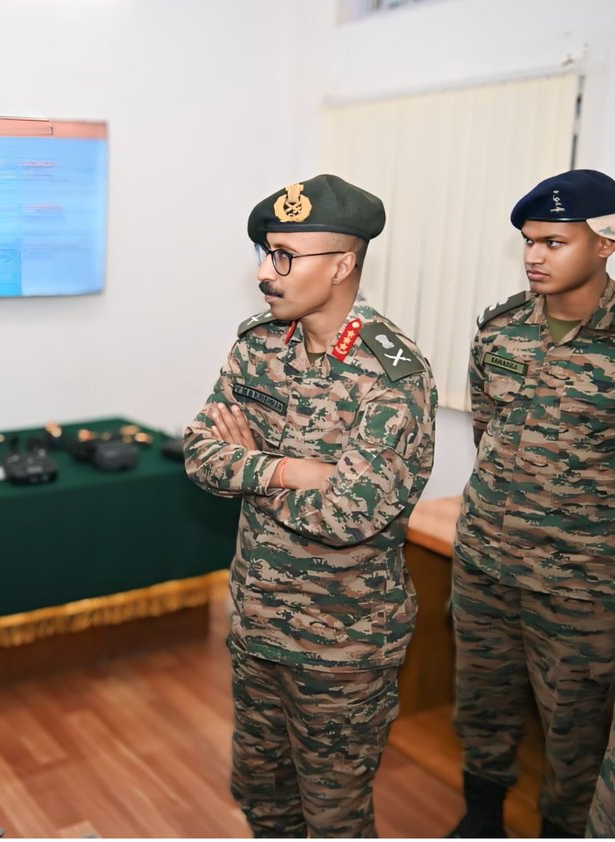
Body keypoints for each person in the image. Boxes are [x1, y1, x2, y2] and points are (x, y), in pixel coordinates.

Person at [184, 174, 437, 837]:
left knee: (334, 820)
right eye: (266, 252)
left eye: (285, 257)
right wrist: (295, 470)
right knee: (263, 800)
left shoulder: (392, 373)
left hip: (343, 649)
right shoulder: (258, 343)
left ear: (343, 264)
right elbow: (198, 453)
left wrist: (251, 473)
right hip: (257, 623)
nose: (266, 272)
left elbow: (349, 516)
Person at [448, 169, 615, 838]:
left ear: (604, 245)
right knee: (481, 702)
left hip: (580, 583)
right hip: (487, 561)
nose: (534, 256)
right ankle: (482, 816)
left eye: (554, 241)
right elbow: (488, 431)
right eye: (528, 241)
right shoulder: (501, 328)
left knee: (573, 726)